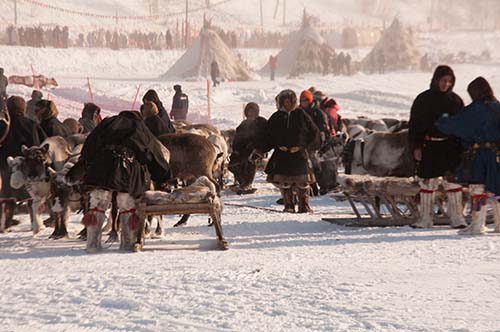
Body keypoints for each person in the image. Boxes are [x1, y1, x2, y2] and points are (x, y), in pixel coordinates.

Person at [76, 110, 171, 253]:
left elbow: (89, 145)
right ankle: (127, 244)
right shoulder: (138, 126)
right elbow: (151, 152)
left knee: (97, 205)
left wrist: (85, 165)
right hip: (126, 170)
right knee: (127, 206)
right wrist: (164, 175)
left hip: (100, 167)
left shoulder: (106, 123)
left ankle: (92, 245)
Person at [436, 77, 500, 234]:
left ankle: (478, 225)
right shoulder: (497, 107)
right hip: (497, 154)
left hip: (480, 154)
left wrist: (442, 119)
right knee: (497, 189)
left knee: (478, 188)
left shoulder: (476, 109)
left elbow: (456, 125)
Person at [408, 65, 466, 229]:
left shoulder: (455, 101)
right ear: (435, 80)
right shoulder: (423, 100)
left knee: (453, 184)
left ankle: (457, 218)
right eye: (443, 80)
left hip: (450, 147)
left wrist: (461, 149)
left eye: (449, 81)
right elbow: (414, 126)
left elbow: (461, 126)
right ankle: (425, 219)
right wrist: (416, 147)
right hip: (429, 146)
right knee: (427, 183)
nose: (446, 84)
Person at [257, 89, 320, 213]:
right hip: (282, 156)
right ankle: (289, 206)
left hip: (299, 155)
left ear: (293, 102)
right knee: (285, 184)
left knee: (302, 183)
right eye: (284, 101)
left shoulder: (301, 114)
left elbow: (314, 133)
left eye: (289, 101)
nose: (287, 104)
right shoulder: (276, 117)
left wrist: (303, 146)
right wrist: (272, 146)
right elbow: (268, 135)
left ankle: (304, 206)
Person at [0, 96, 46, 203]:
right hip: (31, 172)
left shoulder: (3, 125)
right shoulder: (33, 125)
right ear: (24, 108)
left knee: (8, 199)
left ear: (8, 108)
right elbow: (45, 144)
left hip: (6, 169)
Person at [228, 102, 267, 194]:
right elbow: (237, 138)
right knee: (233, 164)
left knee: (250, 160)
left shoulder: (262, 122)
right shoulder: (244, 124)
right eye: (249, 111)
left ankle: (248, 183)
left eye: (253, 111)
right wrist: (235, 150)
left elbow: (266, 137)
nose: (251, 113)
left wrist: (259, 147)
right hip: (243, 150)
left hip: (258, 149)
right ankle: (242, 182)